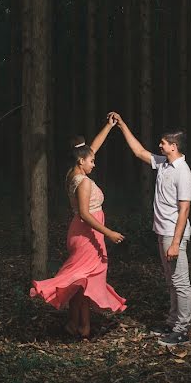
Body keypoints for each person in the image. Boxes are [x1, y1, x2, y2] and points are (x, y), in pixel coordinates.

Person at [29, 118, 127, 339]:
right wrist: (108, 232)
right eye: (92, 160)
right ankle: (82, 326)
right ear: (81, 160)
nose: (95, 163)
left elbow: (92, 148)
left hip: (82, 232)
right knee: (84, 281)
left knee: (82, 281)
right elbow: (84, 213)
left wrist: (109, 127)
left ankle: (76, 324)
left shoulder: (72, 174)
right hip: (87, 234)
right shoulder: (83, 182)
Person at [108, 112, 191, 346]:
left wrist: (176, 242)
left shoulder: (183, 173)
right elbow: (139, 152)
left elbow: (184, 210)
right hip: (163, 232)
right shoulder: (165, 164)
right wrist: (123, 125)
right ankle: (173, 321)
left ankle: (182, 330)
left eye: (163, 143)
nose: (159, 145)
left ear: (173, 146)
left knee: (181, 282)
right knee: (171, 280)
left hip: (173, 234)